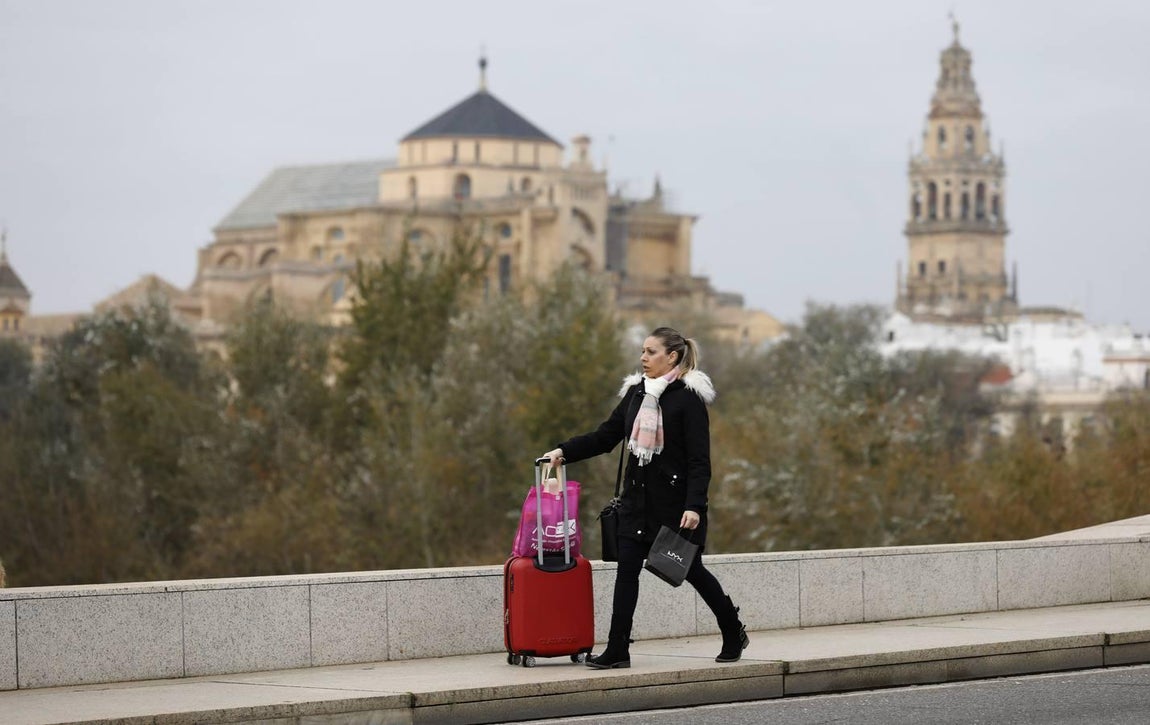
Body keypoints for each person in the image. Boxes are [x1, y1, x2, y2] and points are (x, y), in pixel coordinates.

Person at [543, 326, 749, 669]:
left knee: (691, 571)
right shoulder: (637, 394)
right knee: (626, 574)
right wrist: (565, 451)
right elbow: (606, 436)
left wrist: (694, 506)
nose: (643, 358)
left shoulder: (688, 398)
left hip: (674, 507)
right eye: (642, 351)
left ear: (673, 356)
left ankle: (732, 628)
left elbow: (700, 460)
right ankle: (618, 650)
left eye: (651, 352)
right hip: (635, 504)